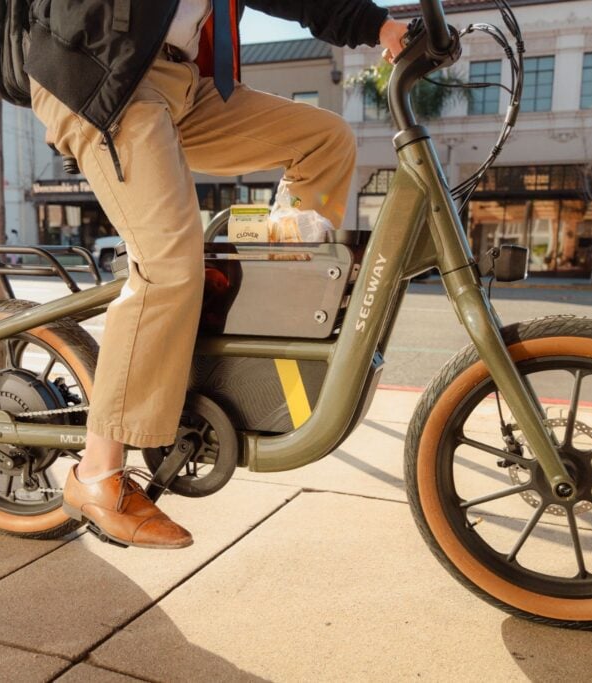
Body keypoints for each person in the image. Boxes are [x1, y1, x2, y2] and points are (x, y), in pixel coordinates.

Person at [27, 1, 408, 549]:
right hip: (106, 71)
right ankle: (97, 473)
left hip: (186, 84)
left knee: (324, 138)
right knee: (169, 265)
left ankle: (284, 295)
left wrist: (379, 24)